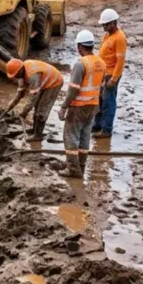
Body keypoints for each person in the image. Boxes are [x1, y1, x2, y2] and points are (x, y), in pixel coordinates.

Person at [58, 30, 106, 178]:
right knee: (85, 137)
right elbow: (102, 87)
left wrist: (64, 106)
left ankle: (73, 169)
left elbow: (73, 90)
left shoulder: (81, 64)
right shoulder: (101, 63)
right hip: (93, 105)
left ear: (80, 47)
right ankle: (81, 166)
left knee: (70, 136)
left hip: (79, 106)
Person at [6, 58, 65, 142]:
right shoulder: (22, 73)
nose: (15, 78)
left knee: (42, 109)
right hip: (44, 81)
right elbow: (20, 94)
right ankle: (35, 130)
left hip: (55, 82)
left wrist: (24, 112)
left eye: (15, 75)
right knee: (37, 106)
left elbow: (33, 98)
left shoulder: (32, 75)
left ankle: (38, 135)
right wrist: (9, 107)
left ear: (20, 70)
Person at [93, 9, 127, 138]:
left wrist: (114, 78)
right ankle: (98, 124)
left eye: (106, 24)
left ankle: (106, 130)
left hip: (111, 75)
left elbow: (120, 60)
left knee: (108, 102)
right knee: (100, 100)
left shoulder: (119, 38)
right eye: (103, 25)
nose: (104, 27)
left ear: (113, 23)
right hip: (103, 74)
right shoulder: (108, 35)